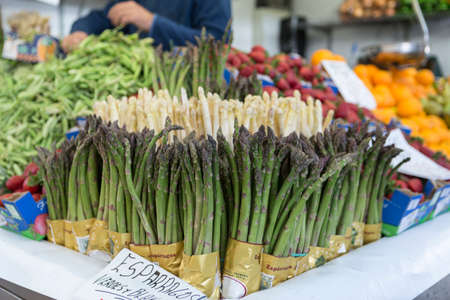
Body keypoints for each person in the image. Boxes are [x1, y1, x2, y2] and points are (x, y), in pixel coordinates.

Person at [62, 0, 231, 53]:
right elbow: (108, 15)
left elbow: (217, 41)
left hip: (188, 86)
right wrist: (81, 30)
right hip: (138, 87)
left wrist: (152, 23)